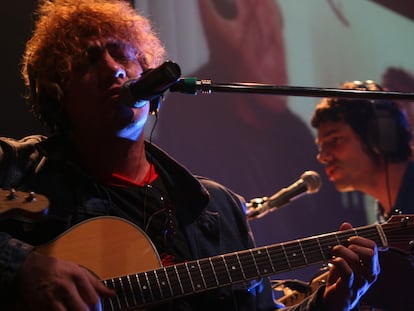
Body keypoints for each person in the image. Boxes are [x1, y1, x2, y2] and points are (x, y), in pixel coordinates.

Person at [0, 0, 379, 310]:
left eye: (122, 56)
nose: (114, 70)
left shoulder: (216, 207)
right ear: (56, 92)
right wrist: (24, 267)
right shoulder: (18, 168)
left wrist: (331, 303)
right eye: (88, 60)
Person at [311, 80, 414, 310]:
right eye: (321, 146)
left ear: (379, 137)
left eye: (334, 140)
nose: (323, 156)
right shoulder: (385, 215)